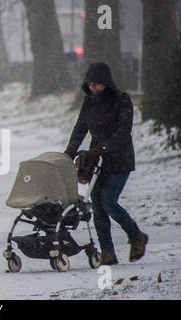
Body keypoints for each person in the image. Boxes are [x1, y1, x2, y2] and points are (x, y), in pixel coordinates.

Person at [64, 62, 148, 266]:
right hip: (96, 162)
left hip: (119, 159)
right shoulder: (89, 102)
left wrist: (104, 148)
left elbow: (123, 131)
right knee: (98, 207)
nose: (93, 89)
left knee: (108, 201)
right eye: (90, 85)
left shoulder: (121, 100)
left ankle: (136, 235)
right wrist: (70, 151)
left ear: (106, 83)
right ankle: (107, 252)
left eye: (97, 85)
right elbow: (80, 127)